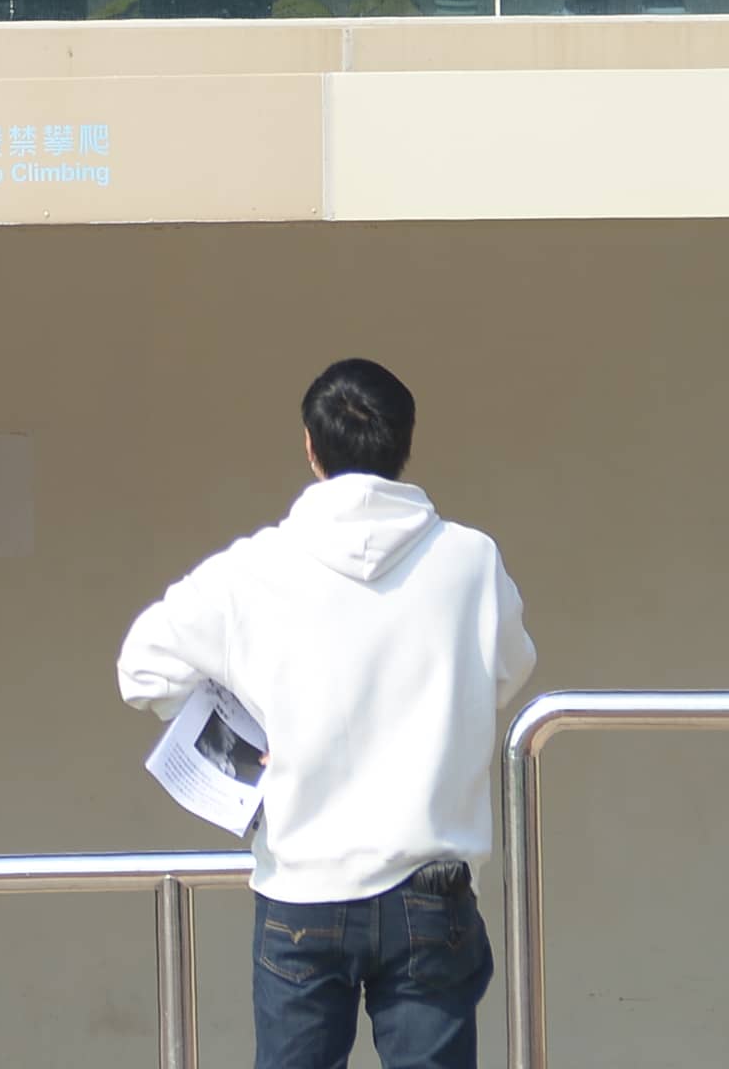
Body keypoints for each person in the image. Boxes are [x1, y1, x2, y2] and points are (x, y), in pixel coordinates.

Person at [113, 357, 533, 1069]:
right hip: (430, 887)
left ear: (311, 447)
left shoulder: (253, 569)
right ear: (405, 442)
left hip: (302, 884)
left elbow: (141, 668)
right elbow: (509, 672)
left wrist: (239, 737)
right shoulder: (470, 560)